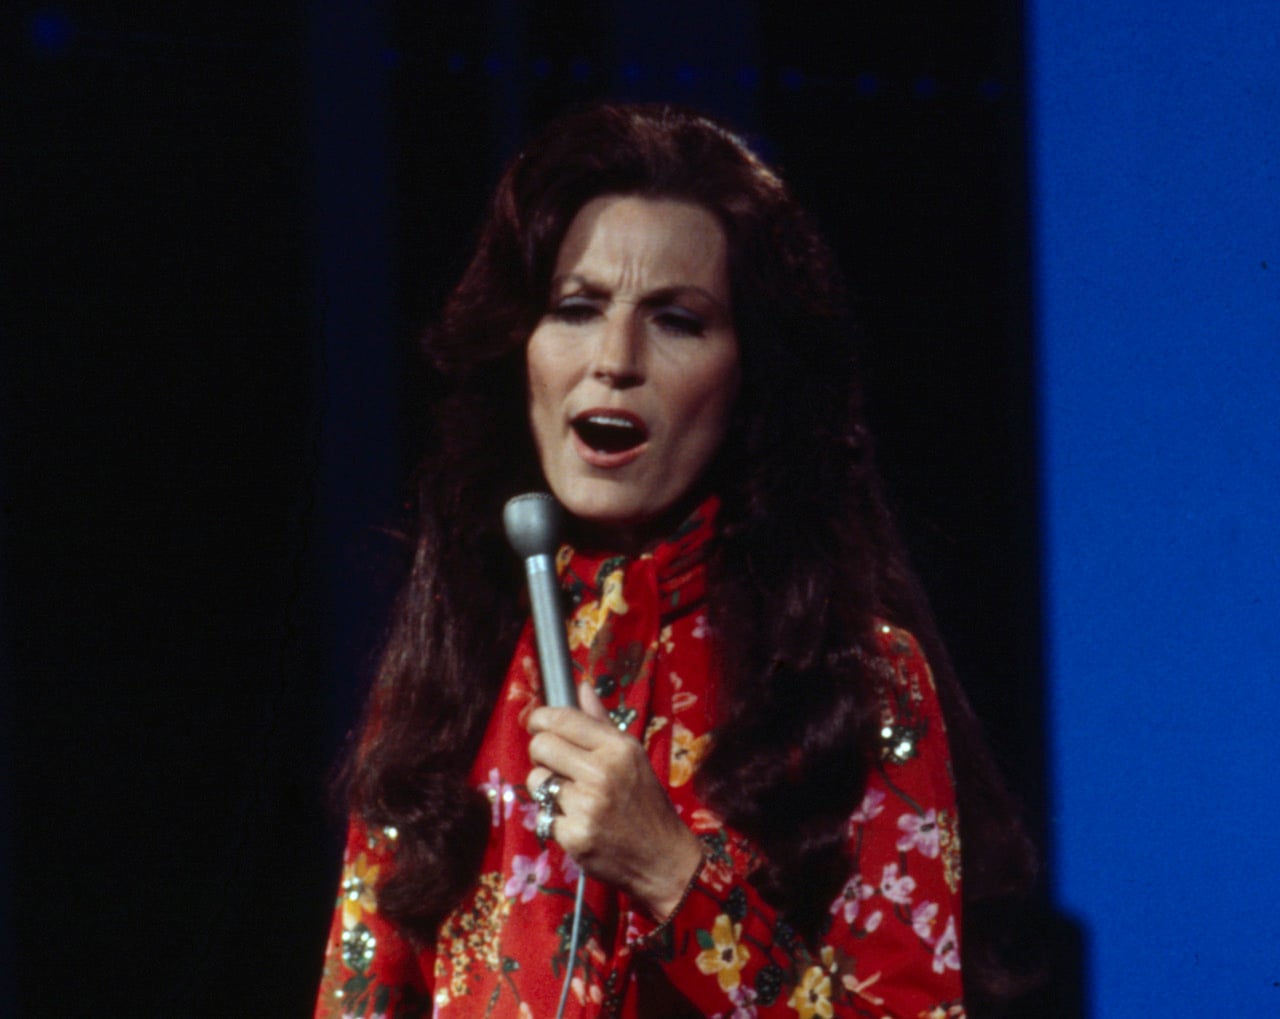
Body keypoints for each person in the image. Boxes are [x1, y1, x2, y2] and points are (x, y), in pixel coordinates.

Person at [315, 103, 1034, 1019]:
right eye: (576, 309)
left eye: (678, 321)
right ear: (520, 349)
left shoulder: (857, 684)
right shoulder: (445, 680)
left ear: (751, 376)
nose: (614, 359)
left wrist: (670, 872)